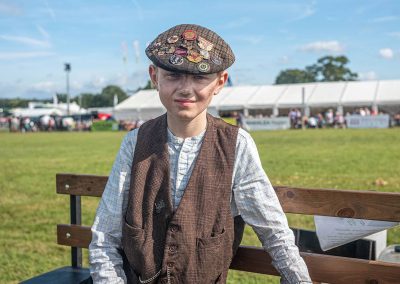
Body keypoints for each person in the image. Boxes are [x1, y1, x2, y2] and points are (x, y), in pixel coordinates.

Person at [89, 24, 311, 284]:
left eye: (199, 77)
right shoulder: (134, 144)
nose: (185, 88)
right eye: (172, 75)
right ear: (154, 76)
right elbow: (105, 238)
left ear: (220, 82)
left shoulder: (236, 146)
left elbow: (274, 232)